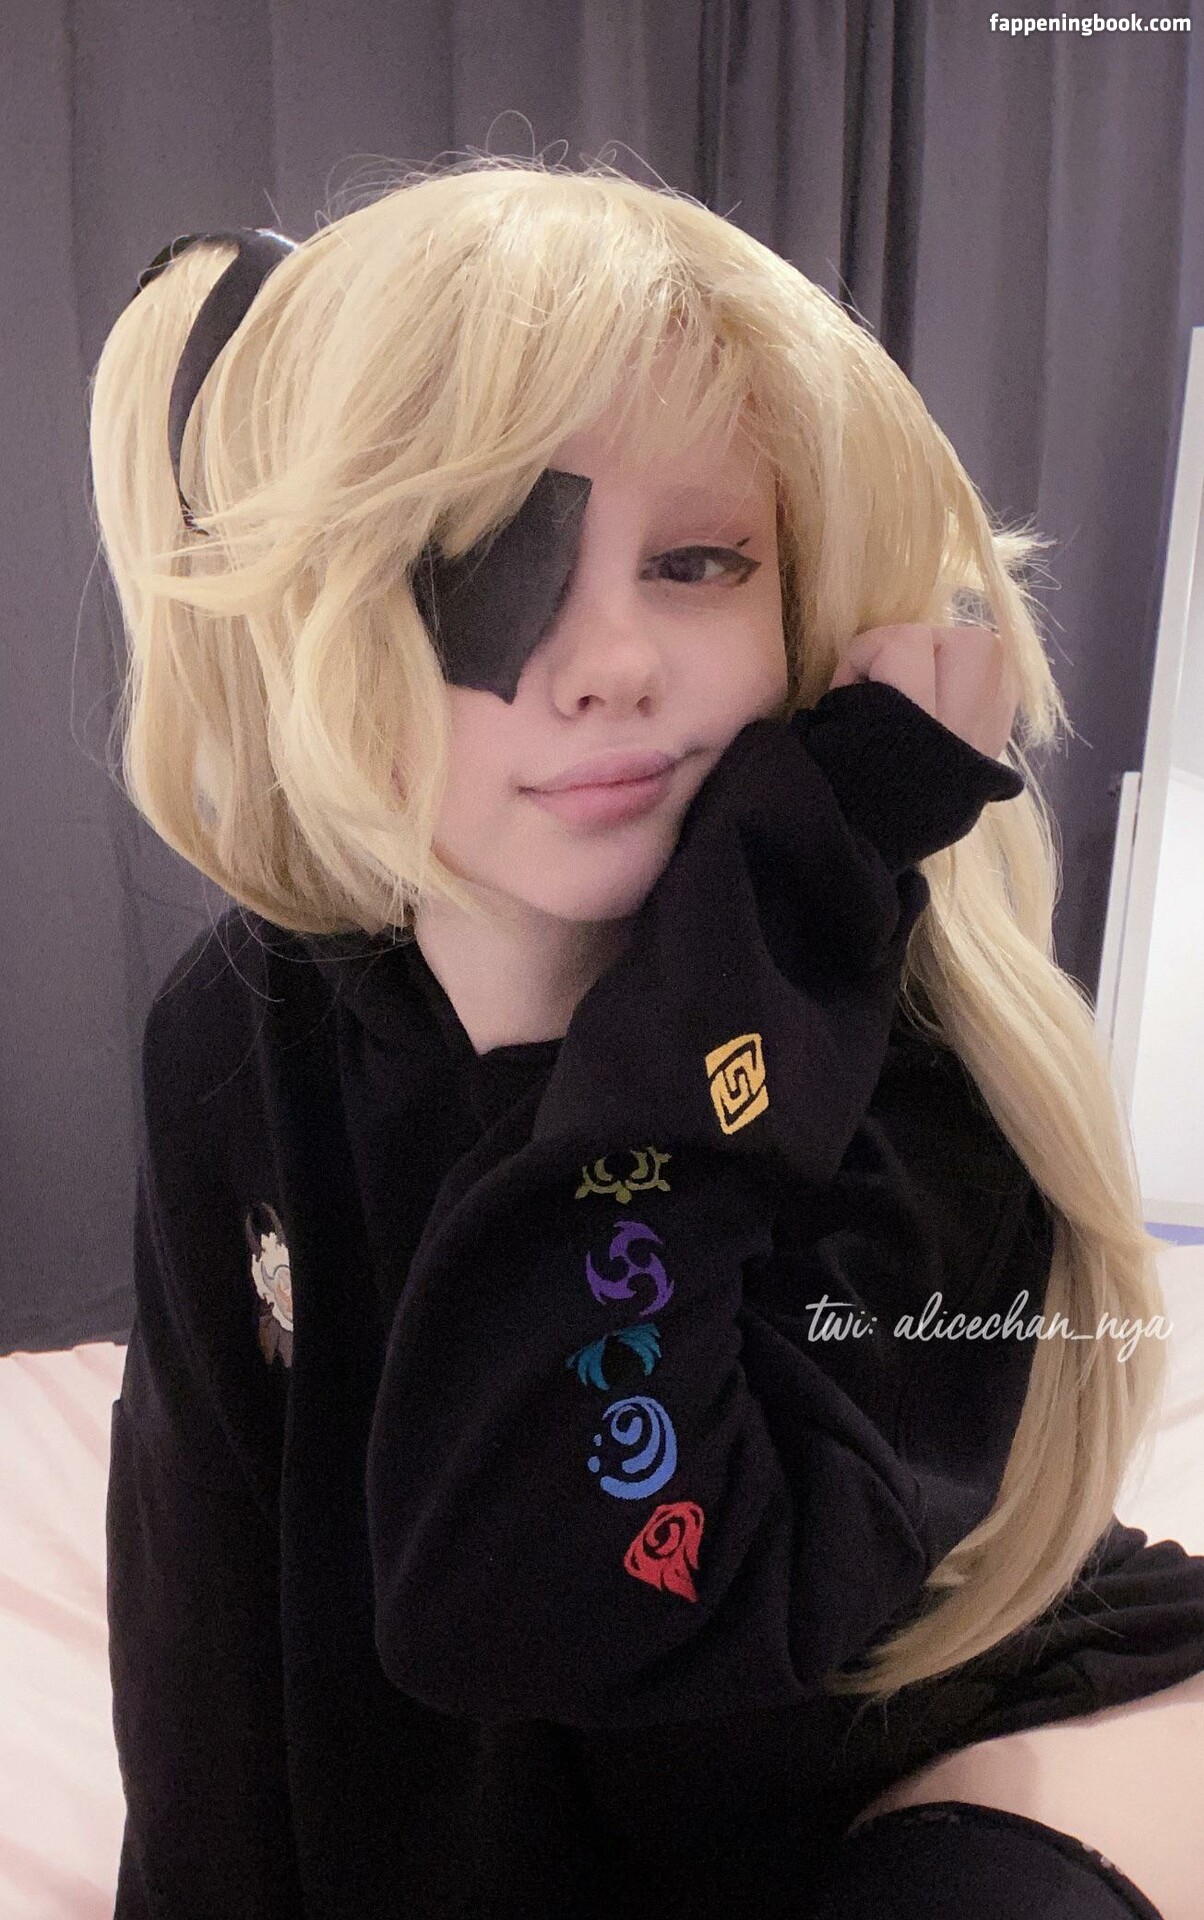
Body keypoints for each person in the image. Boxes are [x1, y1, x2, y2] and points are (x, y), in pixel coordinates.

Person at [89, 159, 1204, 1919]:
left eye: (697, 562)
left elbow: (593, 1595)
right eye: (477, 562)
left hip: (944, 1733)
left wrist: (683, 970)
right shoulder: (249, 1024)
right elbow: (205, 1624)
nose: (609, 659)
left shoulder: (895, 1025)